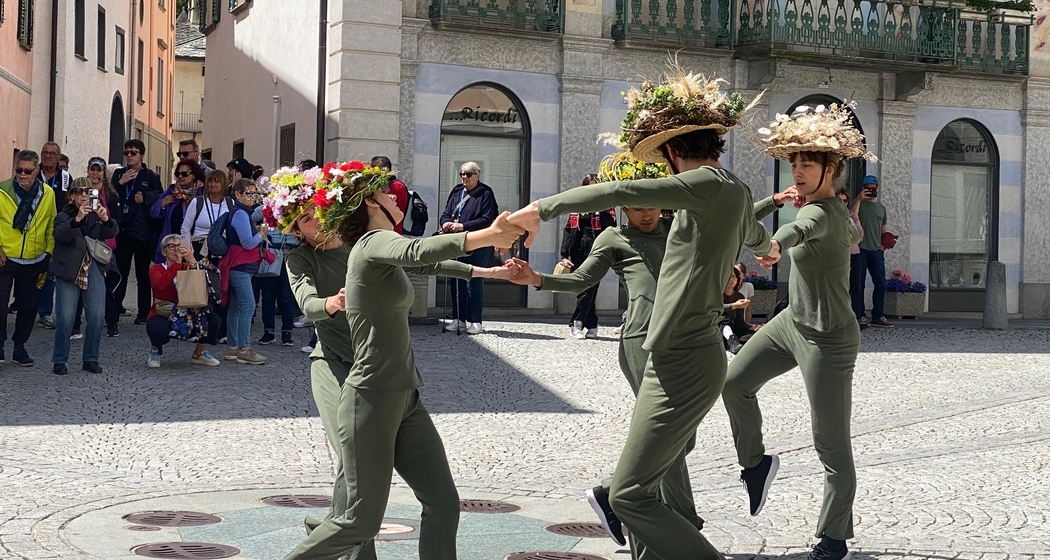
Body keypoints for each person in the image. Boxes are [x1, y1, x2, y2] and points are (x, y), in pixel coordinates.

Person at [507, 69, 778, 560]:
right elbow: (758, 238)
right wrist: (772, 248)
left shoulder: (700, 185)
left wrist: (539, 210)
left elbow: (618, 194)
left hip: (683, 357)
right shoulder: (733, 189)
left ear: (674, 151)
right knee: (640, 485)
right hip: (672, 354)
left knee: (629, 495)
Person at [281, 161, 523, 560]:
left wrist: (489, 272)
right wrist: (487, 234)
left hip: (404, 393)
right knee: (361, 520)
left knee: (443, 502)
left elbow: (424, 258)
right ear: (366, 204)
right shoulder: (371, 244)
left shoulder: (377, 245)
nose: (396, 196)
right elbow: (416, 249)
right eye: (385, 192)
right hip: (367, 390)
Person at [723, 102, 874, 560]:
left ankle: (833, 537)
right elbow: (850, 237)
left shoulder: (823, 213)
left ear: (832, 167)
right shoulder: (824, 209)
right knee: (733, 384)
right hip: (792, 322)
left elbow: (799, 232)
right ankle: (756, 464)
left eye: (808, 163)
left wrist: (774, 243)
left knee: (830, 443)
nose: (799, 170)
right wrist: (775, 208)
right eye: (794, 163)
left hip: (829, 337)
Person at [50, 178, 119, 375]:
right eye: (78, 191)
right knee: (65, 317)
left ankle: (90, 358)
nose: (83, 195)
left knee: (97, 316)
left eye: (87, 191)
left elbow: (113, 231)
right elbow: (60, 235)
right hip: (70, 270)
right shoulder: (64, 216)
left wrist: (105, 219)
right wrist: (77, 219)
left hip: (94, 267)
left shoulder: (96, 214)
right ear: (71, 195)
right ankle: (60, 360)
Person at [0, 150, 58, 366]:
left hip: (35, 259)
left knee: (28, 306)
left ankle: (19, 347)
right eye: (19, 170)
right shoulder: (2, 190)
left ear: (37, 171)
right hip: (6, 257)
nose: (22, 175)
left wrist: (48, 251)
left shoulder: (48, 194)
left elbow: (51, 223)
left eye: (27, 171)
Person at [438, 161, 499, 335]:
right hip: (456, 242)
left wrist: (463, 226)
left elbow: (487, 219)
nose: (465, 177)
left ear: (477, 175)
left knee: (473, 279)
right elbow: (446, 213)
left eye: (468, 174)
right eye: (462, 174)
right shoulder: (457, 191)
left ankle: (475, 321)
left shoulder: (485, 193)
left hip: (478, 243)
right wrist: (446, 223)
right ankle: (458, 319)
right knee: (456, 278)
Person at [145, 234, 222, 368]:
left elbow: (205, 282)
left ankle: (199, 353)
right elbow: (160, 286)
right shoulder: (156, 268)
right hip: (165, 310)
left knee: (214, 320)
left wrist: (192, 259)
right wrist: (176, 265)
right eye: (172, 247)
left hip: (190, 312)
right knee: (156, 326)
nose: (176, 250)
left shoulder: (188, 266)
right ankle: (155, 350)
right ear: (164, 252)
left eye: (179, 246)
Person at [112, 139, 164, 325]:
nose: (129, 156)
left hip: (142, 232)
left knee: (143, 275)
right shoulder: (119, 174)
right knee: (120, 273)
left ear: (141, 154)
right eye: (127, 153)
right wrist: (120, 183)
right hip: (122, 231)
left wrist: (145, 198)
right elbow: (109, 197)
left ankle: (143, 313)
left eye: (133, 152)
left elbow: (160, 199)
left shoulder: (150, 177)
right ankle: (114, 309)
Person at [559, 174, 616, 340]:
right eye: (589, 187)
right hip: (578, 249)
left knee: (591, 286)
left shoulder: (607, 206)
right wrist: (564, 254)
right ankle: (591, 323)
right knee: (583, 286)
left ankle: (576, 322)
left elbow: (612, 229)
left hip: (598, 249)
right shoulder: (578, 205)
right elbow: (568, 230)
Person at [220, 178, 268, 365]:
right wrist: (261, 234)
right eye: (248, 193)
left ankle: (233, 348)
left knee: (236, 306)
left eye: (254, 193)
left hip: (236, 265)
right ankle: (244, 349)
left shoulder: (239, 212)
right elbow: (248, 243)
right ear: (237, 194)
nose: (252, 197)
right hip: (240, 265)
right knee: (248, 305)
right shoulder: (240, 213)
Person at [253, 168, 301, 346]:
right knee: (268, 295)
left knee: (286, 295)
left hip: (290, 253)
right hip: (271, 253)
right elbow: (253, 216)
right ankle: (268, 332)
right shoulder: (269, 205)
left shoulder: (298, 206)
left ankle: (287, 333)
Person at [35, 142, 72, 330]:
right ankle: (27, 306)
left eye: (52, 154)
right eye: (44, 153)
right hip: (34, 229)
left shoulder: (65, 178)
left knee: (50, 272)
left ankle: (45, 312)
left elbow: (69, 202)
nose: (48, 156)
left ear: (59, 157)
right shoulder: (33, 173)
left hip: (56, 229)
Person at [853, 174, 893, 328]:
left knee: (881, 284)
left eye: (873, 188)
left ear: (877, 189)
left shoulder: (881, 208)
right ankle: (860, 315)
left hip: (876, 251)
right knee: (859, 284)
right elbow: (852, 217)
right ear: (863, 188)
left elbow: (884, 230)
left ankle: (878, 315)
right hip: (860, 250)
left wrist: (883, 247)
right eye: (867, 188)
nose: (870, 190)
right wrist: (858, 199)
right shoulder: (859, 204)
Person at [152, 159, 205, 262]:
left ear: (194, 175)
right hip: (172, 244)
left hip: (195, 245)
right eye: (178, 174)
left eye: (184, 174)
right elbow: (154, 213)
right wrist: (162, 204)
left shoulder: (202, 193)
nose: (180, 176)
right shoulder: (171, 191)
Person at [182, 170, 233, 259]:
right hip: (199, 249)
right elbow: (185, 229)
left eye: (217, 182)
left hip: (222, 249)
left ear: (224, 184)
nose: (212, 184)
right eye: (210, 181)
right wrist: (187, 254)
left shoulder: (230, 203)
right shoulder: (197, 202)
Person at [838, 187, 866, 328]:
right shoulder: (829, 216)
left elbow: (860, 235)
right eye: (839, 200)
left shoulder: (852, 216)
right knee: (839, 288)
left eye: (844, 201)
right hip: (837, 256)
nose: (842, 203)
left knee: (856, 286)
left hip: (854, 254)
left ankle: (857, 316)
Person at [720, 268, 755, 355]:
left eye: (733, 276)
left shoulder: (740, 296)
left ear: (737, 279)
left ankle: (733, 344)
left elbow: (739, 321)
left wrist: (751, 328)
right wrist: (734, 305)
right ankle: (731, 340)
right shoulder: (717, 295)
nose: (730, 280)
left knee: (752, 335)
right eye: (727, 277)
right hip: (717, 329)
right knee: (723, 319)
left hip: (733, 328)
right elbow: (715, 309)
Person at [369, 156, 408, 234]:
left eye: (374, 167)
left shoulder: (397, 186)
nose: (371, 170)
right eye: (371, 167)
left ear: (385, 169)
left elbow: (384, 205)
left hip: (393, 231)